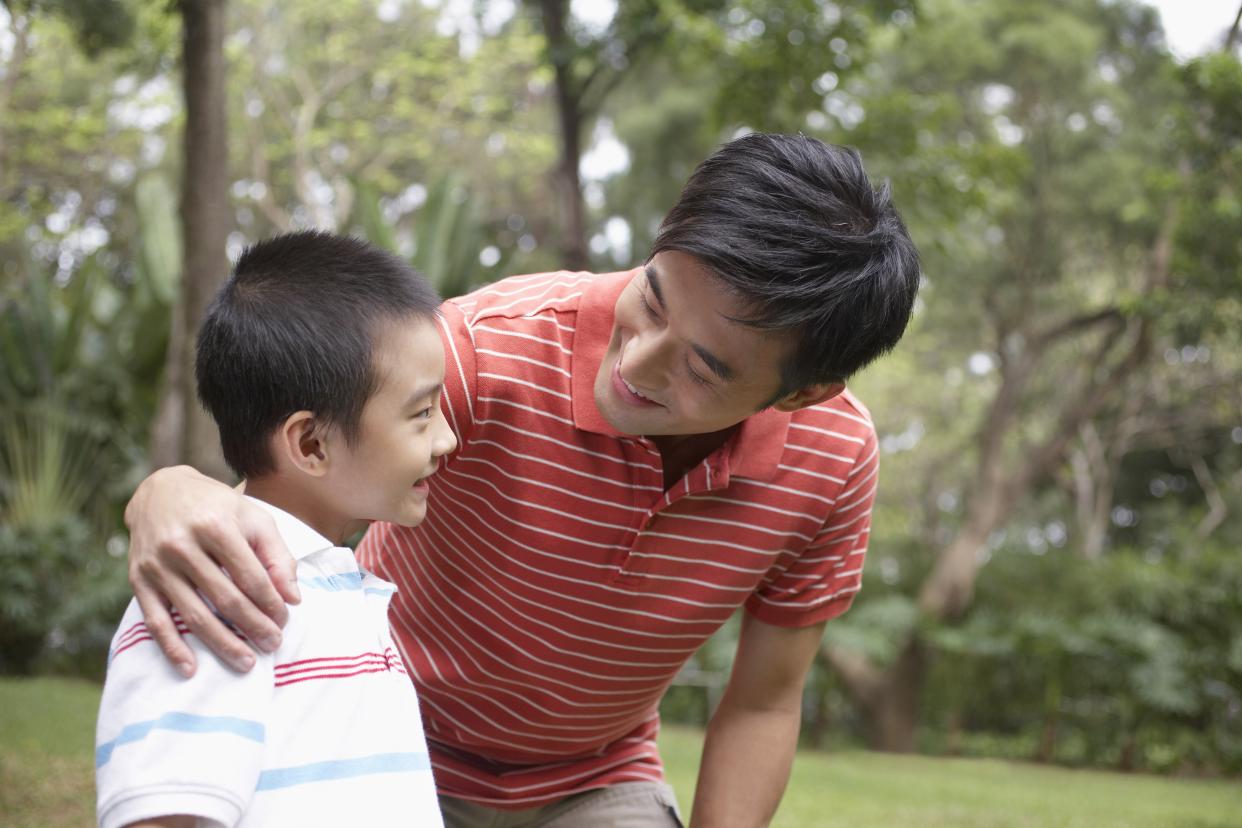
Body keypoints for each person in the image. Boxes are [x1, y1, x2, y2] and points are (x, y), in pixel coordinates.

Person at [122, 133, 921, 827]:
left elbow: (765, 701)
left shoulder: (834, 458)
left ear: (807, 391)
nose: (635, 363)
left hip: (593, 781)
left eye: (704, 369)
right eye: (652, 299)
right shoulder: (481, 351)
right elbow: (294, 459)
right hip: (385, 733)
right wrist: (171, 490)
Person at [95, 232, 455, 828]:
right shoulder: (221, 591)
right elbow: (164, 816)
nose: (447, 439)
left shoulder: (331, 586)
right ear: (311, 444)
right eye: (421, 415)